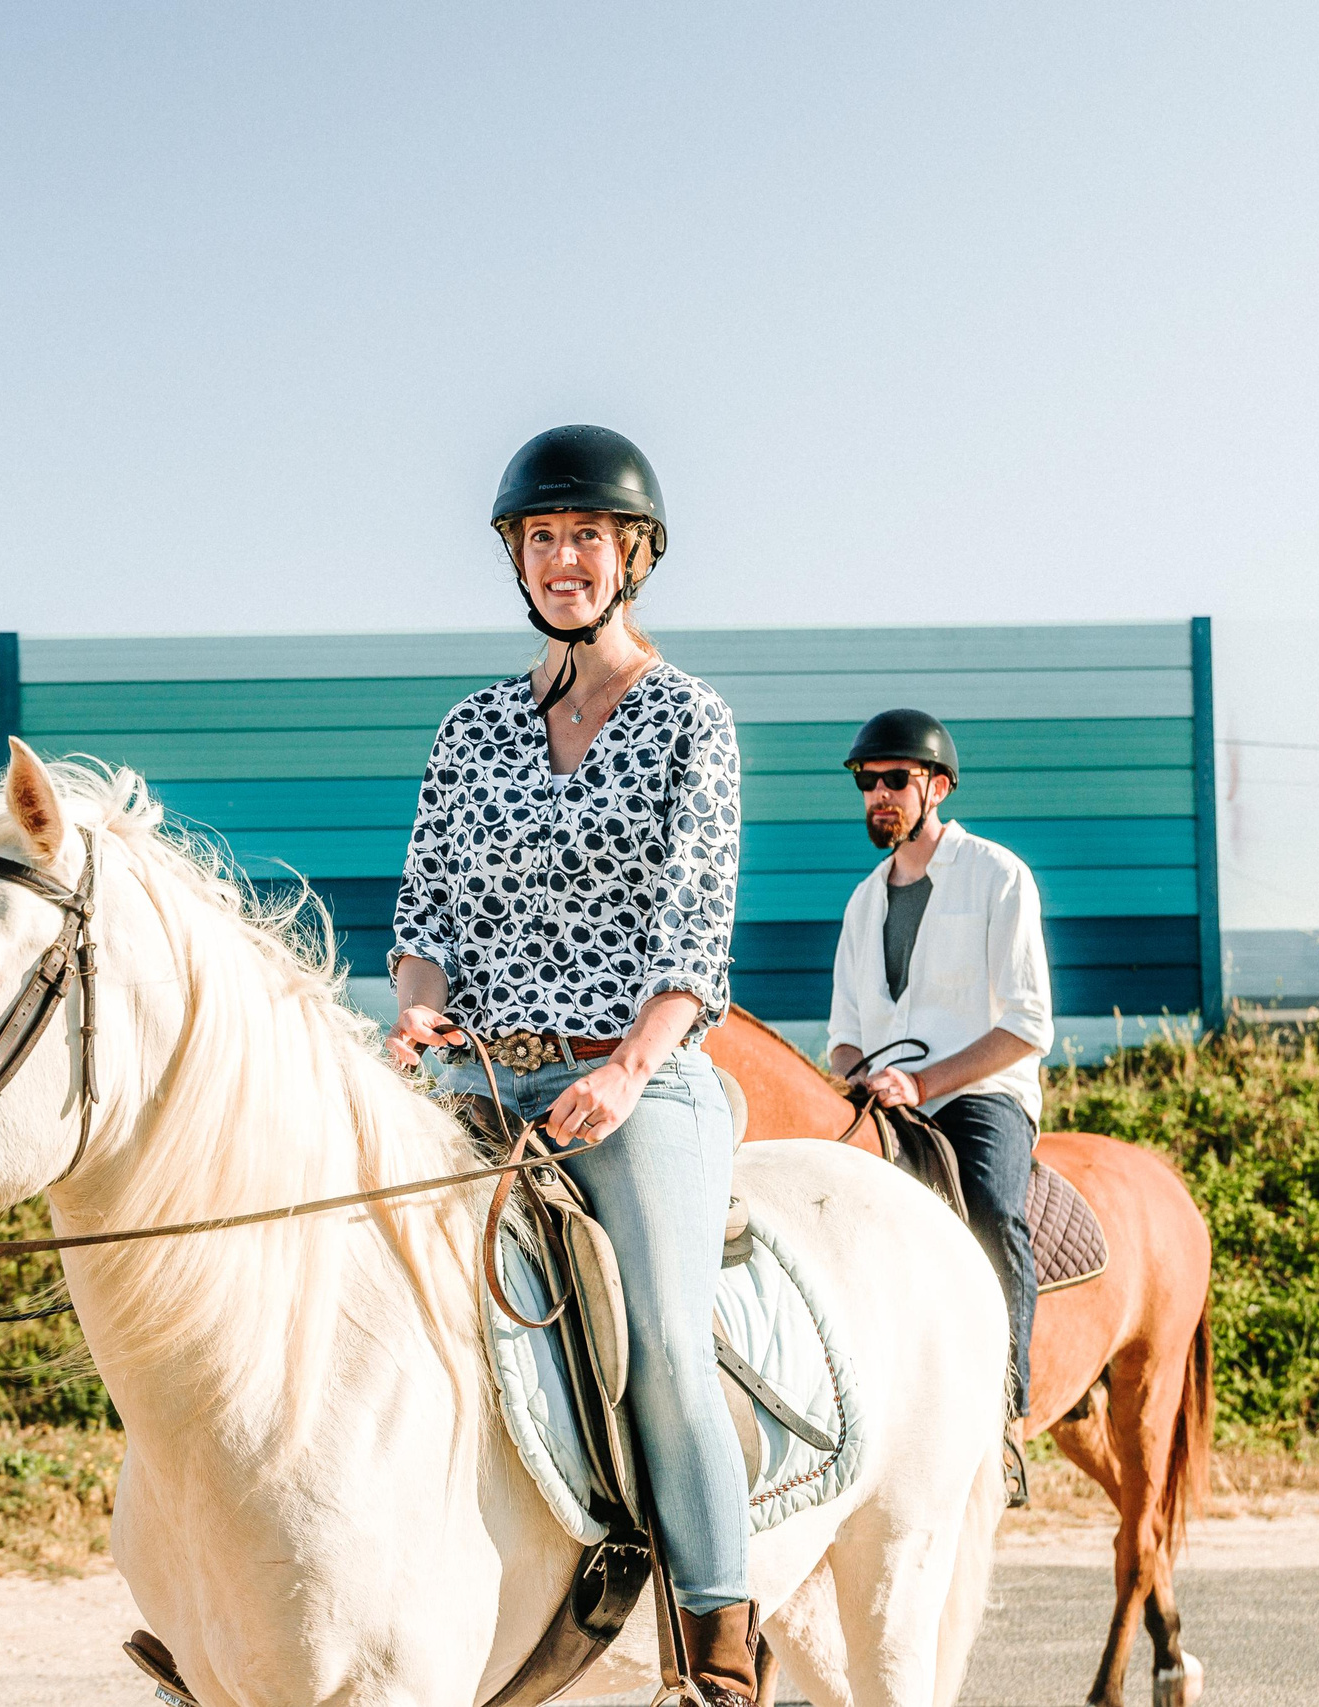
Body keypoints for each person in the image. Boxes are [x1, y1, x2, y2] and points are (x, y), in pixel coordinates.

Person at [383, 425, 761, 1707]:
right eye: (541, 538)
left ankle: (717, 1631)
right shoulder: (472, 729)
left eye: (586, 536)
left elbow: (691, 939)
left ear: (633, 554)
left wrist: (627, 1071)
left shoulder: (687, 724)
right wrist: (418, 1017)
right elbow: (425, 918)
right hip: (480, 1082)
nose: (562, 558)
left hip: (632, 1082)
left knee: (658, 1332)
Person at [825, 709, 1052, 1504]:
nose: (879, 795)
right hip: (885, 1100)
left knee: (990, 1209)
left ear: (938, 787)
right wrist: (858, 1077)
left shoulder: (998, 876)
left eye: (896, 780)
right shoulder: (861, 903)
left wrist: (924, 1084)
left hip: (977, 1095)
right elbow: (844, 1038)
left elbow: (1027, 1024)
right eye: (868, 782)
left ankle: (1006, 1421)